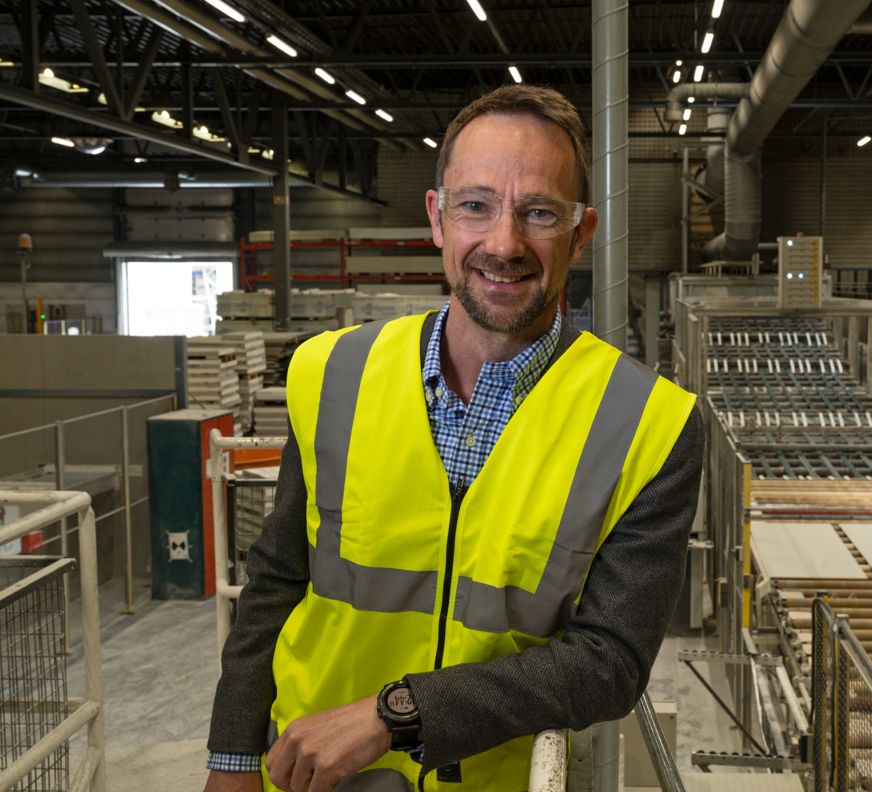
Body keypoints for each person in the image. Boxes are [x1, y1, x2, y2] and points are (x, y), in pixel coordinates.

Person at [205, 84, 703, 792]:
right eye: (477, 205)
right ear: (438, 218)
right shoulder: (332, 372)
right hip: (310, 777)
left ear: (582, 233)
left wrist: (399, 713)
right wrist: (230, 759)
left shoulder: (652, 423)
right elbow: (275, 583)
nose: (504, 244)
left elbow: (609, 660)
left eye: (539, 213)